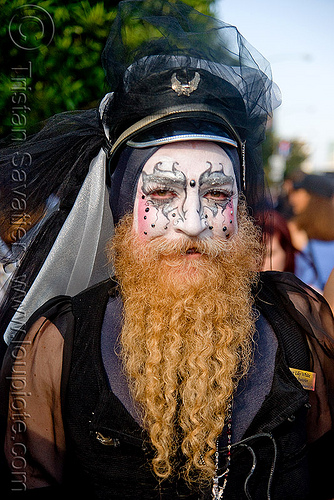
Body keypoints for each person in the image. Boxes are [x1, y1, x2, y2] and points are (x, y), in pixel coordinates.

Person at [1, 1, 334, 499]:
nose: (194, 223)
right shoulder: (55, 347)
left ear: (240, 205)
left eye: (217, 193)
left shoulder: (299, 320)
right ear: (120, 207)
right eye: (161, 194)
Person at [288, 173, 334, 291]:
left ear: (311, 196)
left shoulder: (296, 231)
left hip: (308, 302)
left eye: (298, 192)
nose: (292, 198)